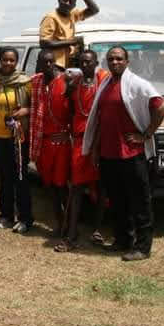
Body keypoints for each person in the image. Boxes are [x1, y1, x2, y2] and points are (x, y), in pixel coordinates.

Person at [82, 46, 164, 261]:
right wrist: (94, 148)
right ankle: (122, 241)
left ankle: (142, 247)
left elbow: (161, 108)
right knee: (118, 201)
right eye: (111, 59)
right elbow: (100, 120)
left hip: (132, 154)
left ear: (127, 62)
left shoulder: (137, 84)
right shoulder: (106, 83)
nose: (115, 62)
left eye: (119, 59)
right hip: (109, 154)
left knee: (140, 201)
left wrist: (145, 134)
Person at [56, 50, 109, 252]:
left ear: (96, 63)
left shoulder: (103, 80)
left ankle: (98, 229)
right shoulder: (74, 84)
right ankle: (72, 235)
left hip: (101, 140)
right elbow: (69, 110)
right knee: (76, 188)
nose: (86, 65)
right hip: (79, 142)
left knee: (102, 186)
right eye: (82, 62)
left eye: (89, 62)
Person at [29, 50, 72, 239]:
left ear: (54, 63)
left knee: (61, 186)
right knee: (49, 186)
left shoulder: (66, 81)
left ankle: (69, 225)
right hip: (42, 142)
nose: (46, 66)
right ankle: (59, 222)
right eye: (42, 63)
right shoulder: (36, 81)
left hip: (61, 142)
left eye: (49, 62)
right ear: (38, 64)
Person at [0, 47, 32, 233]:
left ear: (17, 62)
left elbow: (37, 106)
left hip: (18, 138)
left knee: (21, 178)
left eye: (11, 60)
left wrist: (26, 111)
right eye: (4, 60)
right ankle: (6, 216)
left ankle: (25, 218)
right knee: (5, 178)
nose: (8, 63)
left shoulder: (25, 82)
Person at [39, 0, 99, 69]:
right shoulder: (51, 18)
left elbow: (94, 10)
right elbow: (44, 43)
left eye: (70, 2)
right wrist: (71, 42)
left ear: (74, 5)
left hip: (70, 65)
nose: (67, 3)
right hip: (55, 65)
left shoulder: (72, 15)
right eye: (65, 0)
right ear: (59, 1)